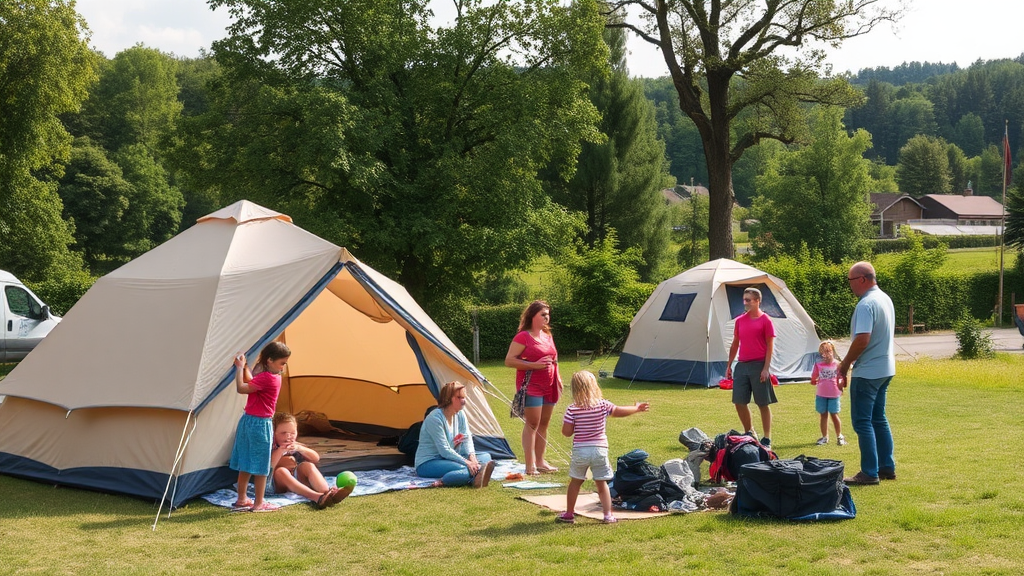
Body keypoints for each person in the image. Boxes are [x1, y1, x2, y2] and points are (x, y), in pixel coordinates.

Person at [557, 370, 649, 524]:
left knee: (575, 482)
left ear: (574, 389)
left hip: (581, 451)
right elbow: (619, 411)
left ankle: (569, 513)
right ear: (594, 387)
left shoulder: (572, 409)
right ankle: (607, 515)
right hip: (600, 450)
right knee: (602, 484)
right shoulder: (602, 405)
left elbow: (566, 432)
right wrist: (636, 409)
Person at [838, 262, 896, 486]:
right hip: (886, 368)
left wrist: (844, 365)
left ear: (862, 279)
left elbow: (863, 339)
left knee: (863, 422)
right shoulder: (884, 298)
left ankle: (869, 472)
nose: (850, 286)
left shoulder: (866, 304)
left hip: (868, 372)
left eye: (851, 281)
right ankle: (886, 467)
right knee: (878, 419)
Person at [229, 341, 291, 512]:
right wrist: (240, 368)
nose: (283, 368)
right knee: (261, 466)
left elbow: (250, 382)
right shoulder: (272, 378)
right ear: (270, 361)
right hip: (261, 424)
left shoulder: (266, 378)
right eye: (282, 363)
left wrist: (242, 367)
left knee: (246, 461)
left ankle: (242, 499)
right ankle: (258, 504)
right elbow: (242, 388)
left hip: (247, 421)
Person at [504, 300, 563, 475]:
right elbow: (509, 360)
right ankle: (530, 465)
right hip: (531, 386)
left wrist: (557, 379)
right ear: (532, 316)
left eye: (548, 314)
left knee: (544, 423)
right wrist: (534, 365)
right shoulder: (523, 337)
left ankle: (541, 462)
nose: (547, 317)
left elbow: (554, 357)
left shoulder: (547, 335)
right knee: (532, 424)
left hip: (550, 385)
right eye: (543, 314)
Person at [415, 381, 496, 488]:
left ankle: (476, 474)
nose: (464, 401)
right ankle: (445, 482)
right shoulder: (435, 418)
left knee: (486, 456)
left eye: (464, 397)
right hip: (429, 462)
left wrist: (472, 458)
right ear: (448, 399)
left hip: (448, 459)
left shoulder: (460, 414)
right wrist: (467, 463)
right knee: (465, 470)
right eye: (459, 397)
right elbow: (444, 450)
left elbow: (467, 439)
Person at [724, 287, 777, 448]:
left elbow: (770, 345)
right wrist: (729, 365)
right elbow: (735, 344)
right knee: (739, 402)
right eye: (744, 299)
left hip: (759, 365)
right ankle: (750, 432)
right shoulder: (740, 320)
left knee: (762, 403)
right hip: (742, 365)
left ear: (757, 301)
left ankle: (766, 438)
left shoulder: (766, 320)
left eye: (748, 300)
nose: (745, 302)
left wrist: (766, 368)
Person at [269, 413, 353, 509]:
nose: (288, 436)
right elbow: (269, 465)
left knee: (308, 465)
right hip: (275, 483)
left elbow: (316, 458)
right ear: (273, 433)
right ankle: (316, 497)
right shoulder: (271, 447)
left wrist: (300, 449)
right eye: (283, 433)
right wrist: (280, 451)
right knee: (281, 471)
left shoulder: (295, 445)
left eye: (292, 433)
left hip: (296, 479)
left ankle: (327, 492)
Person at [811, 340, 846, 446]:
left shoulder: (837, 364)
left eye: (828, 351)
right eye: (823, 352)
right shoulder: (818, 364)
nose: (825, 355)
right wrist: (813, 380)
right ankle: (824, 437)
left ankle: (839, 436)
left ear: (833, 351)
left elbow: (841, 377)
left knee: (834, 414)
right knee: (823, 415)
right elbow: (814, 376)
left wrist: (842, 385)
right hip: (821, 393)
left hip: (834, 394)